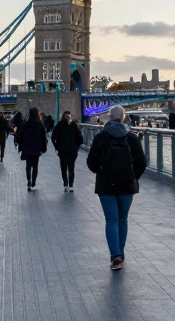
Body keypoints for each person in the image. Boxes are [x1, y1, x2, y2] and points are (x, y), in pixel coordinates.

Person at [86, 105, 146, 270]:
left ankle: (115, 256)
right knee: (122, 219)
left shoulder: (101, 137)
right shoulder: (131, 138)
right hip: (127, 186)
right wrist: (133, 176)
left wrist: (101, 172)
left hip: (106, 186)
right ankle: (121, 252)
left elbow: (91, 162)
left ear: (110, 117)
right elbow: (142, 163)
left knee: (111, 220)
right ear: (123, 117)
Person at [16, 108, 48, 191]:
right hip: (37, 148)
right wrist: (44, 147)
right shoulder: (40, 124)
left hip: (27, 147)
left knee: (28, 166)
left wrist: (20, 144)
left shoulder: (26, 123)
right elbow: (43, 137)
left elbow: (20, 135)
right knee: (35, 166)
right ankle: (34, 181)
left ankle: (29, 181)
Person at [51, 111, 83, 192]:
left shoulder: (59, 125)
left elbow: (53, 137)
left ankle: (65, 184)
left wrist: (56, 147)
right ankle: (71, 185)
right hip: (72, 150)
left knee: (63, 167)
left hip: (62, 150)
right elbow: (80, 138)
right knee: (71, 168)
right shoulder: (74, 125)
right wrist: (77, 147)